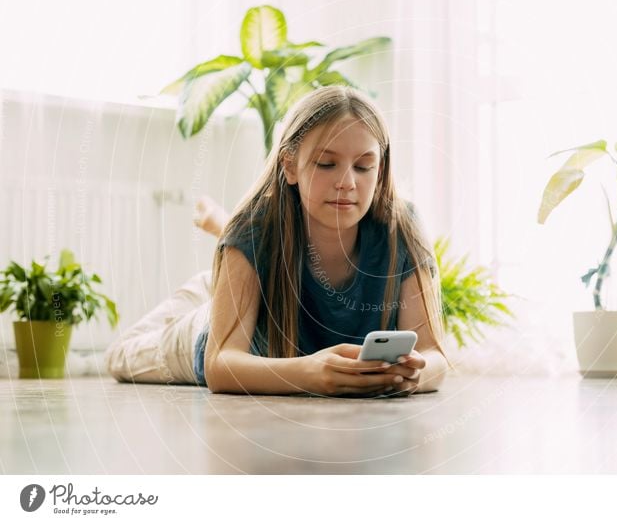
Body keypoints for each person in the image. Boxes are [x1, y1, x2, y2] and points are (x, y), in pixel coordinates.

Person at [104, 86, 451, 397]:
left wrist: (413, 374)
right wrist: (308, 374)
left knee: (231, 288)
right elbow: (221, 364)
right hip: (204, 333)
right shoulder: (254, 227)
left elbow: (435, 356)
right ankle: (213, 291)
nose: (347, 182)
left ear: (381, 169)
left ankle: (218, 286)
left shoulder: (401, 225)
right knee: (120, 357)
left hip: (245, 294)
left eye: (363, 167)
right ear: (289, 166)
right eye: (326, 163)